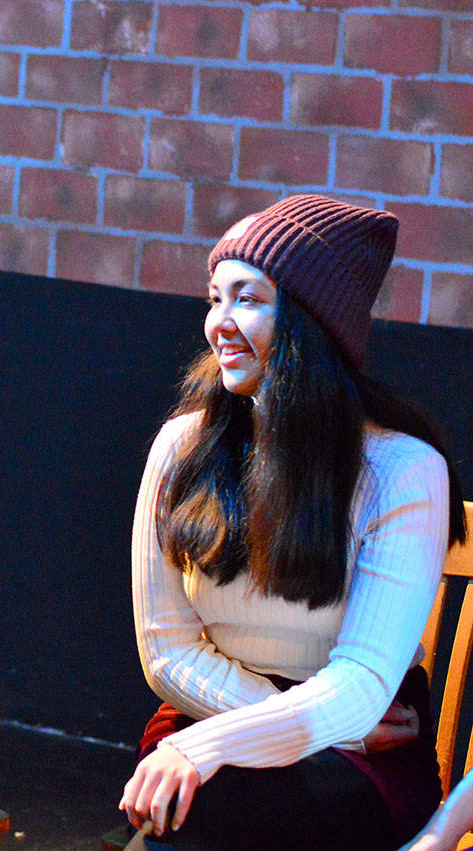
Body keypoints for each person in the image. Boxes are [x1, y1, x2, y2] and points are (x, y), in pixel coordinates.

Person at [119, 195, 467, 850]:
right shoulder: (182, 446)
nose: (219, 323)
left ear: (314, 320)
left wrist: (235, 746)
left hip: (364, 755)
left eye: (246, 299)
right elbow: (165, 650)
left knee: (204, 810)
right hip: (216, 723)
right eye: (213, 298)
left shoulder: (401, 468)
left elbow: (363, 685)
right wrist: (230, 738)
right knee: (202, 802)